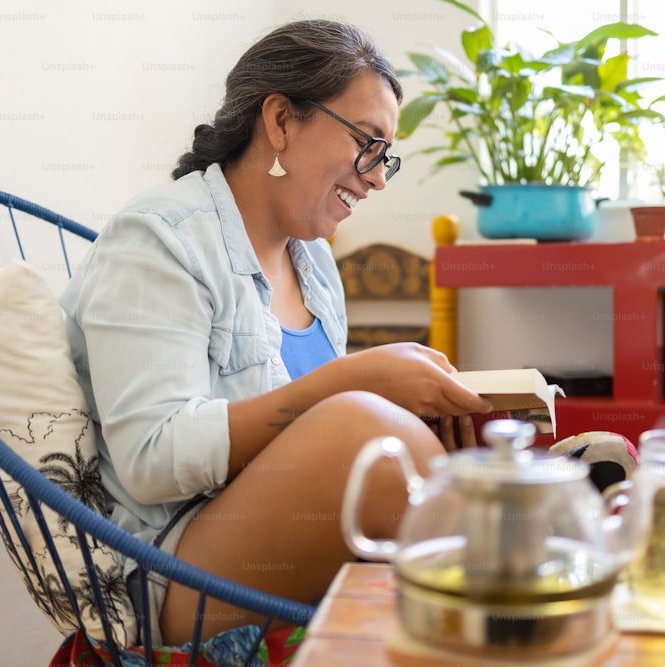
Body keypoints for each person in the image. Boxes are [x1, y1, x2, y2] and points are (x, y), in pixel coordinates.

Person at [59, 19, 491, 647]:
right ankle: (522, 531)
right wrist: (349, 382)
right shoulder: (158, 239)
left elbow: (298, 452)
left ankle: (512, 512)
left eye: (386, 159)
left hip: (270, 543)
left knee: (392, 434)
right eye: (367, 144)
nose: (375, 178)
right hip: (173, 574)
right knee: (363, 430)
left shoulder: (313, 264)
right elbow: (152, 457)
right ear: (282, 120)